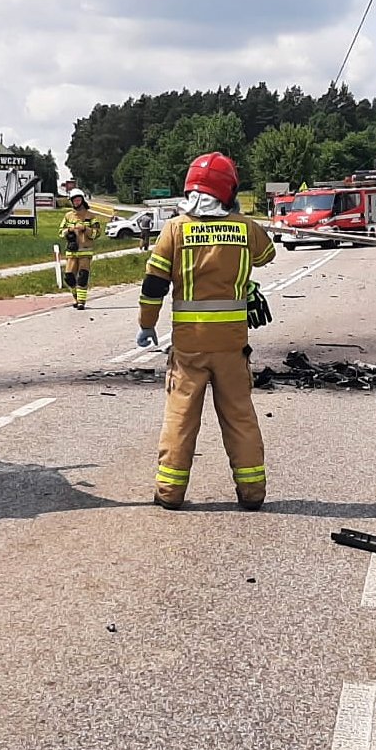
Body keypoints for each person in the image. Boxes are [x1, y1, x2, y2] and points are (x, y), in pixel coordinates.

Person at [135, 152, 276, 511]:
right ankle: (252, 493)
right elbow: (267, 255)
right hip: (232, 345)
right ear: (229, 191)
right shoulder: (245, 229)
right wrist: (241, 219)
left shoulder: (175, 229)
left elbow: (154, 284)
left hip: (189, 347)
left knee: (181, 418)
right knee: (240, 416)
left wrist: (146, 324)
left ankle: (169, 493)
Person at [59, 188, 101, 309]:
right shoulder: (68, 216)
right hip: (72, 251)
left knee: (83, 276)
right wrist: (69, 231)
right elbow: (61, 232)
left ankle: (81, 302)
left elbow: (97, 233)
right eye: (74, 200)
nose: (77, 202)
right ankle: (76, 296)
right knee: (69, 276)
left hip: (85, 251)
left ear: (82, 200)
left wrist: (85, 229)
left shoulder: (90, 216)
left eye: (78, 200)